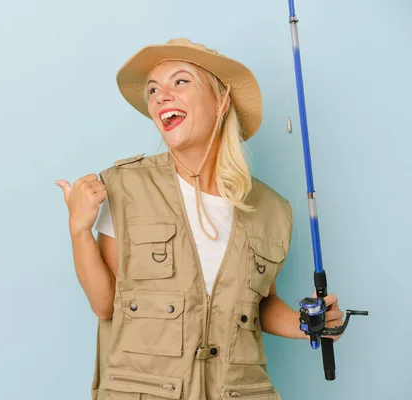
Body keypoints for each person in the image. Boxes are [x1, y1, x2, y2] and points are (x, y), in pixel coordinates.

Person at [55, 38, 344, 400]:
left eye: (180, 82)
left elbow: (260, 305)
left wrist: (311, 326)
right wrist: (79, 229)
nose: (161, 96)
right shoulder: (123, 186)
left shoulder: (272, 209)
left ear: (221, 100)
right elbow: (104, 303)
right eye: (153, 89)